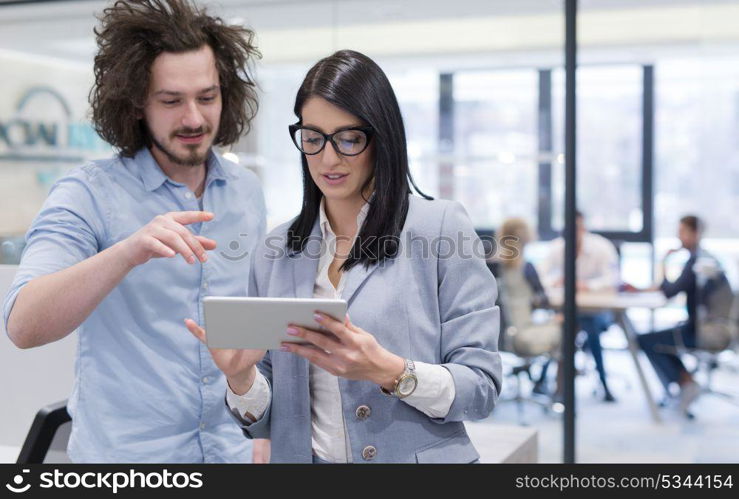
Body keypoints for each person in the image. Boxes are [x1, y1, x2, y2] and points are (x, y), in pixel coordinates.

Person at [186, 50, 502, 463]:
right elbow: (266, 421)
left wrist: (387, 370)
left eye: (349, 139)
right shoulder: (275, 252)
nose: (328, 159)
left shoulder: (439, 228)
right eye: (314, 138)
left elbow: (481, 388)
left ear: (381, 138)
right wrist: (240, 377)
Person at [2, 0, 265, 463]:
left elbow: (251, 333)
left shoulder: (245, 191)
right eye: (171, 101)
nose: (193, 119)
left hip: (232, 456)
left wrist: (264, 429)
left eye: (207, 97)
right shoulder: (88, 193)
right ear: (137, 103)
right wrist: (128, 251)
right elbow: (24, 325)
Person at [542, 211, 619, 402]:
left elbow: (614, 279)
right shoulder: (557, 248)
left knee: (587, 327)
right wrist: (556, 281)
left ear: (583, 228)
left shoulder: (601, 247)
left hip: (597, 311)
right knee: (563, 328)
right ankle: (557, 386)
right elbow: (541, 274)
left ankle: (603, 384)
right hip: (568, 310)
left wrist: (587, 285)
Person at [636, 215, 705, 414]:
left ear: (696, 233)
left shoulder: (695, 262)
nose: (679, 237)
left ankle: (684, 382)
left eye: (683, 232)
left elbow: (669, 292)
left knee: (645, 340)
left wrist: (664, 263)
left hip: (697, 332)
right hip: (702, 327)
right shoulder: (702, 258)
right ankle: (684, 381)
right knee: (655, 339)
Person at [493, 218, 561, 396]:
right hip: (524, 335)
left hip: (499, 336)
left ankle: (540, 381)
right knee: (568, 326)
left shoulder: (492, 265)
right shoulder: (527, 267)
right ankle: (559, 391)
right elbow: (543, 300)